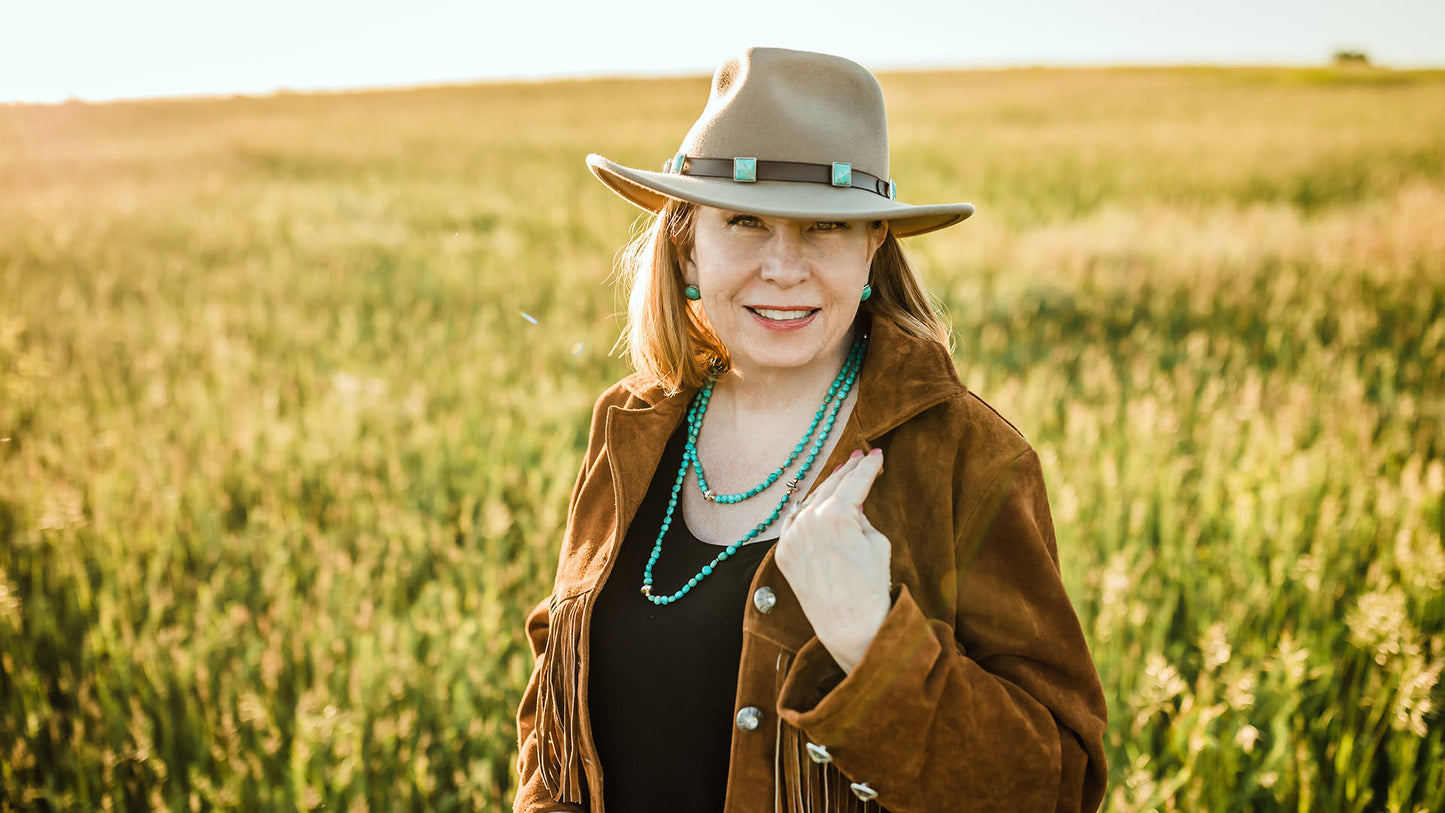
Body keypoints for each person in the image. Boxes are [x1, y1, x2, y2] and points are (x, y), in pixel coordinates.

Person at [514, 47, 1107, 813]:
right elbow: (552, 720)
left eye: (824, 226)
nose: (783, 267)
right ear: (687, 239)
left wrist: (873, 644)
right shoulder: (630, 425)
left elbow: (1056, 786)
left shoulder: (966, 458)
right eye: (747, 222)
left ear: (873, 248)